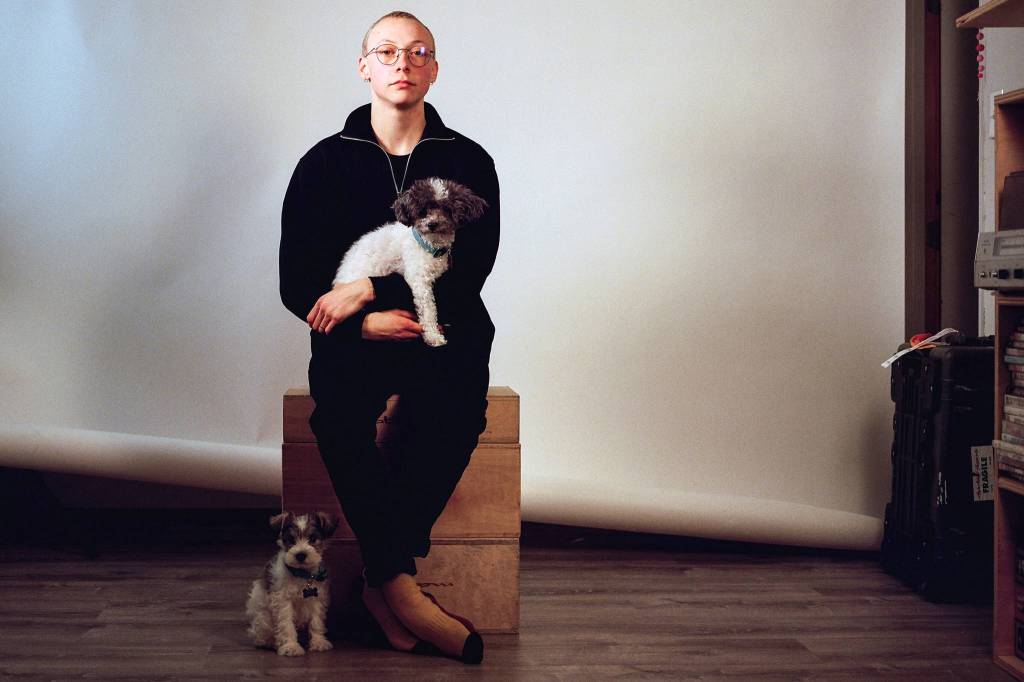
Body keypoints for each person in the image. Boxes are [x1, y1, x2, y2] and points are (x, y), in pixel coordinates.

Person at [278, 10, 498, 665]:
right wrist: (358, 321)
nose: (403, 62)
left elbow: (472, 269)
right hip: (355, 340)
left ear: (434, 69)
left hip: (444, 327)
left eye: (418, 51)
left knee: (458, 414)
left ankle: (383, 579)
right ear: (364, 67)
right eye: (387, 51)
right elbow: (297, 280)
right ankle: (400, 586)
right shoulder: (323, 163)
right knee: (338, 419)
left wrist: (372, 290)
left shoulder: (468, 161)